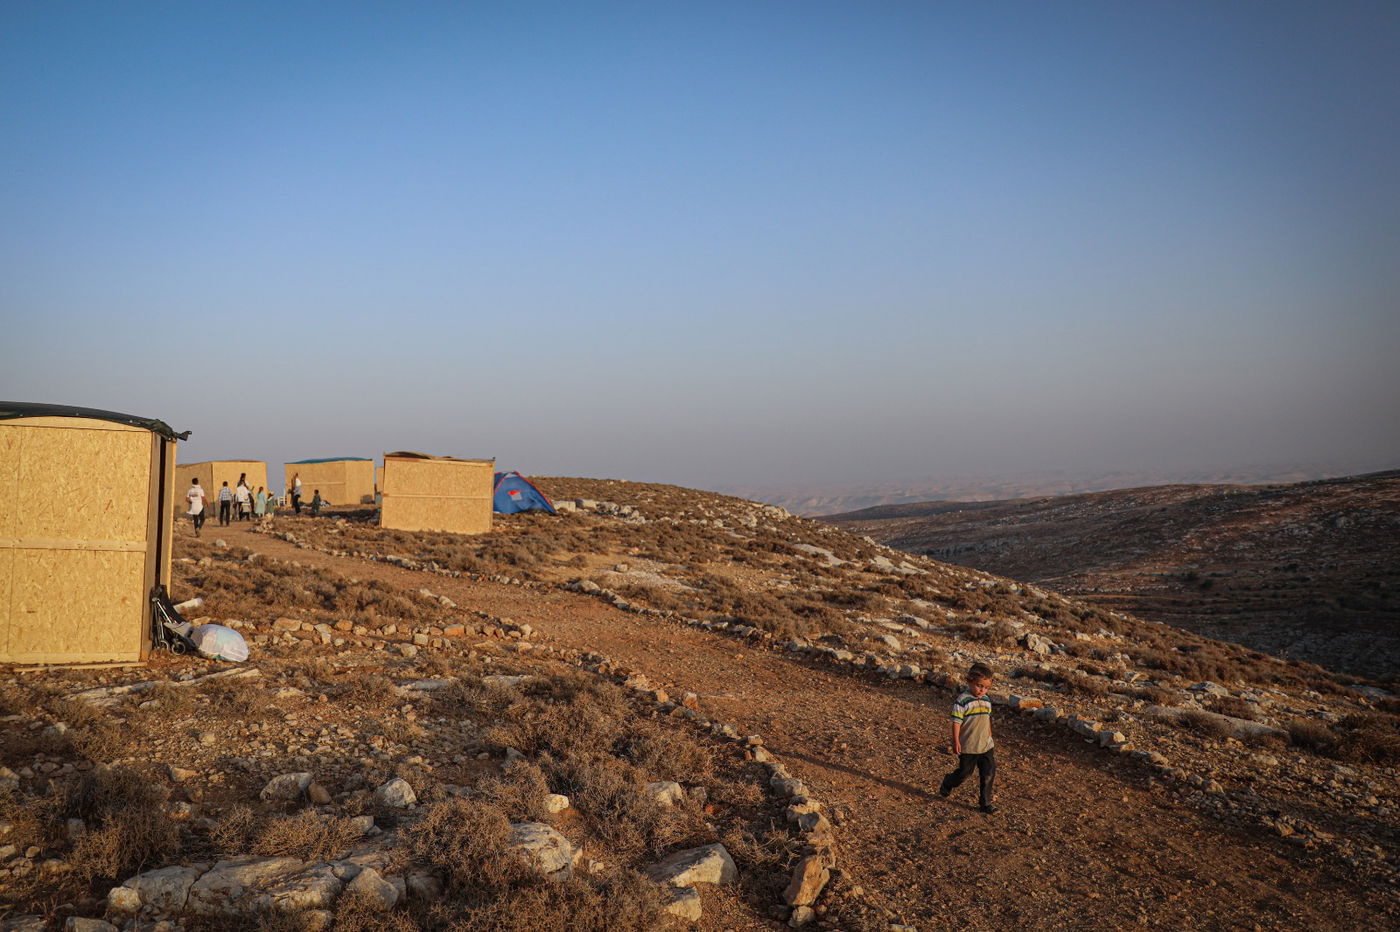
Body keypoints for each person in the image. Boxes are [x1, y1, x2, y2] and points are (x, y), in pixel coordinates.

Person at [939, 662, 997, 813]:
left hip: (986, 745)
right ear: (969, 681)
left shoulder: (986, 700)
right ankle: (948, 782)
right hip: (969, 746)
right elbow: (956, 722)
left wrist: (990, 735)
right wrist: (956, 741)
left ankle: (985, 803)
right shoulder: (962, 701)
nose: (982, 690)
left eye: (986, 687)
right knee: (964, 774)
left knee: (988, 773)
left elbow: (987, 718)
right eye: (979, 686)